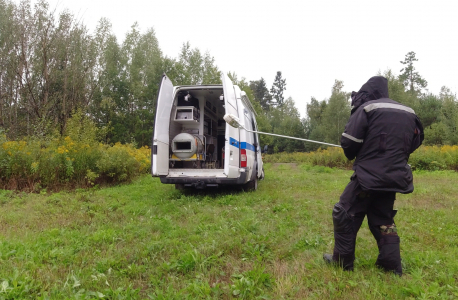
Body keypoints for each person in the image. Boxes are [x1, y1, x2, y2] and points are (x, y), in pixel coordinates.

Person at [323, 76, 424, 276]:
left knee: (343, 213)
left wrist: (361, 151)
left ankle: (342, 262)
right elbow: (416, 140)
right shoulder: (409, 112)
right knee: (383, 218)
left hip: (367, 177)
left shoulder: (367, 109)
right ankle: (391, 266)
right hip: (394, 177)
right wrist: (394, 156)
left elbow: (349, 143)